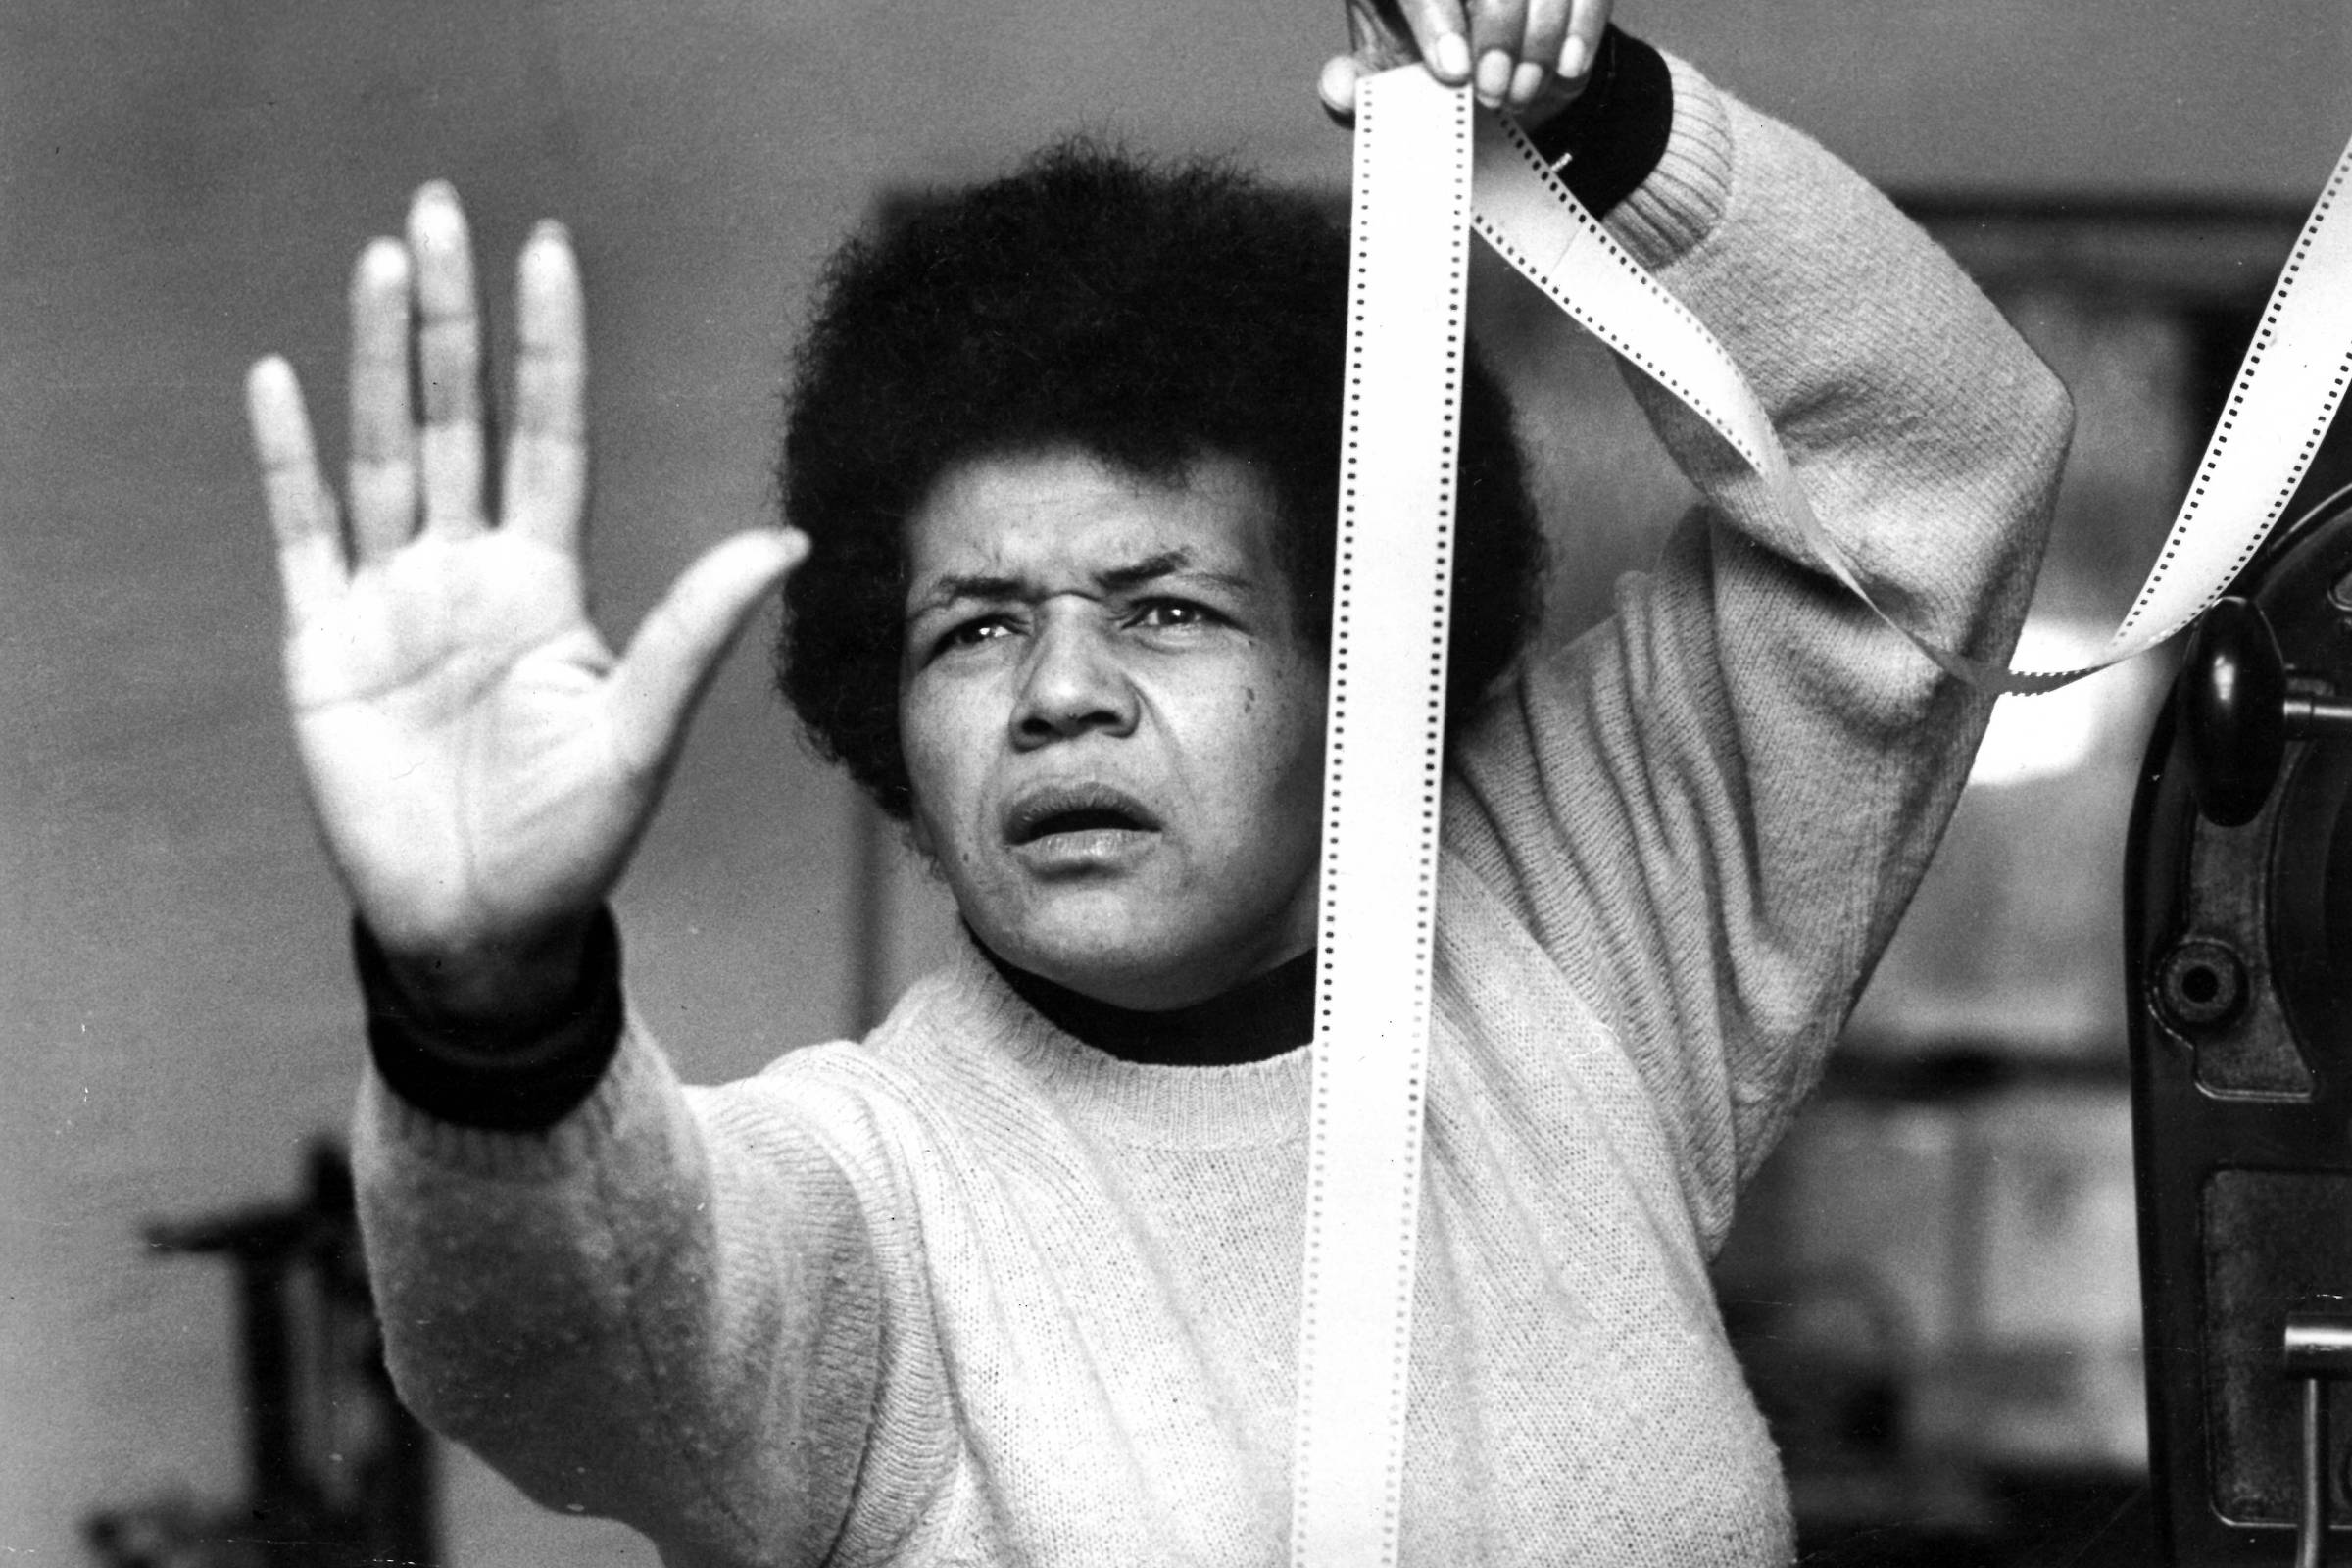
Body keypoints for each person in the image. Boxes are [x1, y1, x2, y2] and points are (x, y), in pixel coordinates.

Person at [244, 0, 2072, 1560]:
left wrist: (1600, 116)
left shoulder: (1590, 925)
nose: (1058, 695)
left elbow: (1947, 469)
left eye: (1167, 608)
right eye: (974, 627)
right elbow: (574, 1341)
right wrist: (489, 996)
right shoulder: (876, 1198)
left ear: (1356, 656)